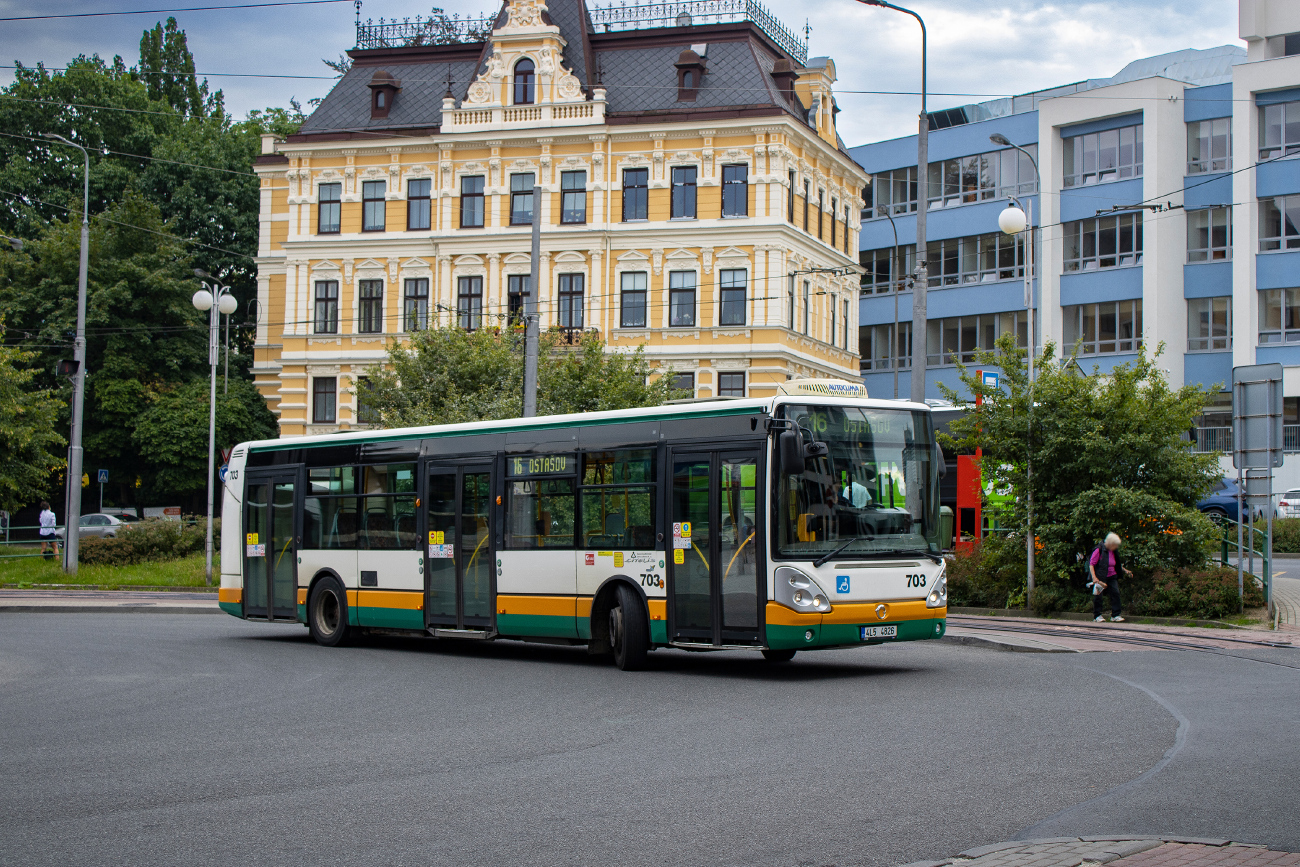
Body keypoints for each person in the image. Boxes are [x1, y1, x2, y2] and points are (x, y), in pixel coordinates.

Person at [1088, 532, 1131, 622]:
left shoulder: (1113, 551)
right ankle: (1097, 616)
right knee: (1098, 596)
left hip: (1112, 575)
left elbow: (1116, 563)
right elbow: (1091, 564)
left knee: (1115, 593)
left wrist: (1125, 570)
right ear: (1110, 543)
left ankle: (1115, 615)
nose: (1115, 547)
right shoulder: (1099, 549)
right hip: (1100, 576)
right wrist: (1094, 577)